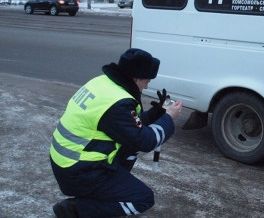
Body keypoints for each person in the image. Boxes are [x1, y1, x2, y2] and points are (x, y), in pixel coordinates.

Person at [50, 48, 183, 218]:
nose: (147, 86)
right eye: (147, 81)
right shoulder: (118, 104)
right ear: (135, 78)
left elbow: (124, 125)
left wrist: (154, 114)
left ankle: (109, 190)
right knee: (143, 199)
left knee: (130, 147)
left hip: (68, 162)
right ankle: (75, 209)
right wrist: (169, 118)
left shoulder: (104, 83)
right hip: (78, 172)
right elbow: (146, 141)